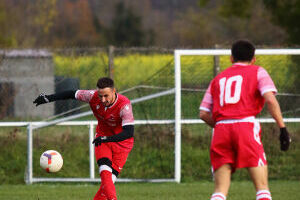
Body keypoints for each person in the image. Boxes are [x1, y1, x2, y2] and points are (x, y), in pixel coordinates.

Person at [199, 40, 291, 200]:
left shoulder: (217, 79)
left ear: (231, 59)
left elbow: (203, 113)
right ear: (253, 58)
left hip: (221, 130)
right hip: (245, 126)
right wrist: (282, 128)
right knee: (262, 188)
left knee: (220, 190)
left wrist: (221, 125)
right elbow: (270, 99)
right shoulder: (258, 72)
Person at [33, 77, 134, 200]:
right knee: (105, 175)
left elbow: (128, 132)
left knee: (105, 188)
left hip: (122, 145)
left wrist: (106, 138)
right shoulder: (92, 96)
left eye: (106, 96)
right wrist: (48, 98)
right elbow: (71, 93)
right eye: (100, 96)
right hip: (102, 140)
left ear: (114, 91)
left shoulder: (124, 105)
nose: (103, 100)